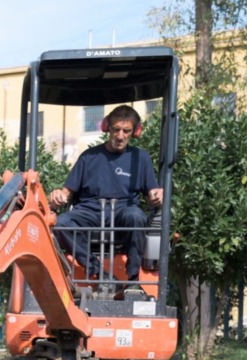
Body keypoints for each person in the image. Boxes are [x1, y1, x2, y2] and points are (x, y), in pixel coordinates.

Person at [48, 105, 163, 287]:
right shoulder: (88, 157)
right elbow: (66, 192)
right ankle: (97, 270)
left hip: (123, 211)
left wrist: (158, 195)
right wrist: (57, 195)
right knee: (61, 223)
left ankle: (133, 281)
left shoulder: (140, 158)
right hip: (90, 210)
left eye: (126, 131)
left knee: (137, 216)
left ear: (135, 132)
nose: (120, 135)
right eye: (116, 129)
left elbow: (153, 193)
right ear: (106, 127)